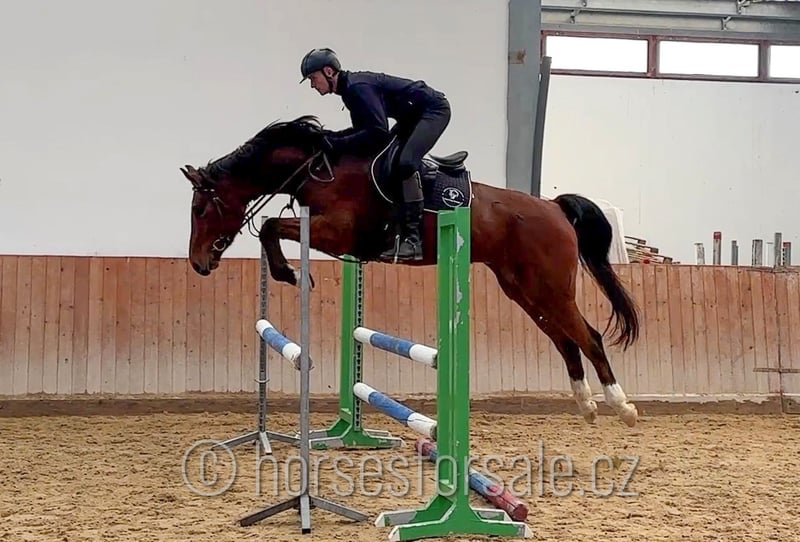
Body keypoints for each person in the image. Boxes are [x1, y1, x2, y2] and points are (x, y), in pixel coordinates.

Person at [299, 47, 451, 262]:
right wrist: (329, 138)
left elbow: (378, 133)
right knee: (384, 161)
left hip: (433, 111)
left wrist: (335, 143)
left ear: (329, 71)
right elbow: (362, 133)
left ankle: (413, 240)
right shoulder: (349, 92)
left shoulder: (357, 88)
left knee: (405, 163)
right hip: (411, 117)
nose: (313, 85)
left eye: (313, 78)